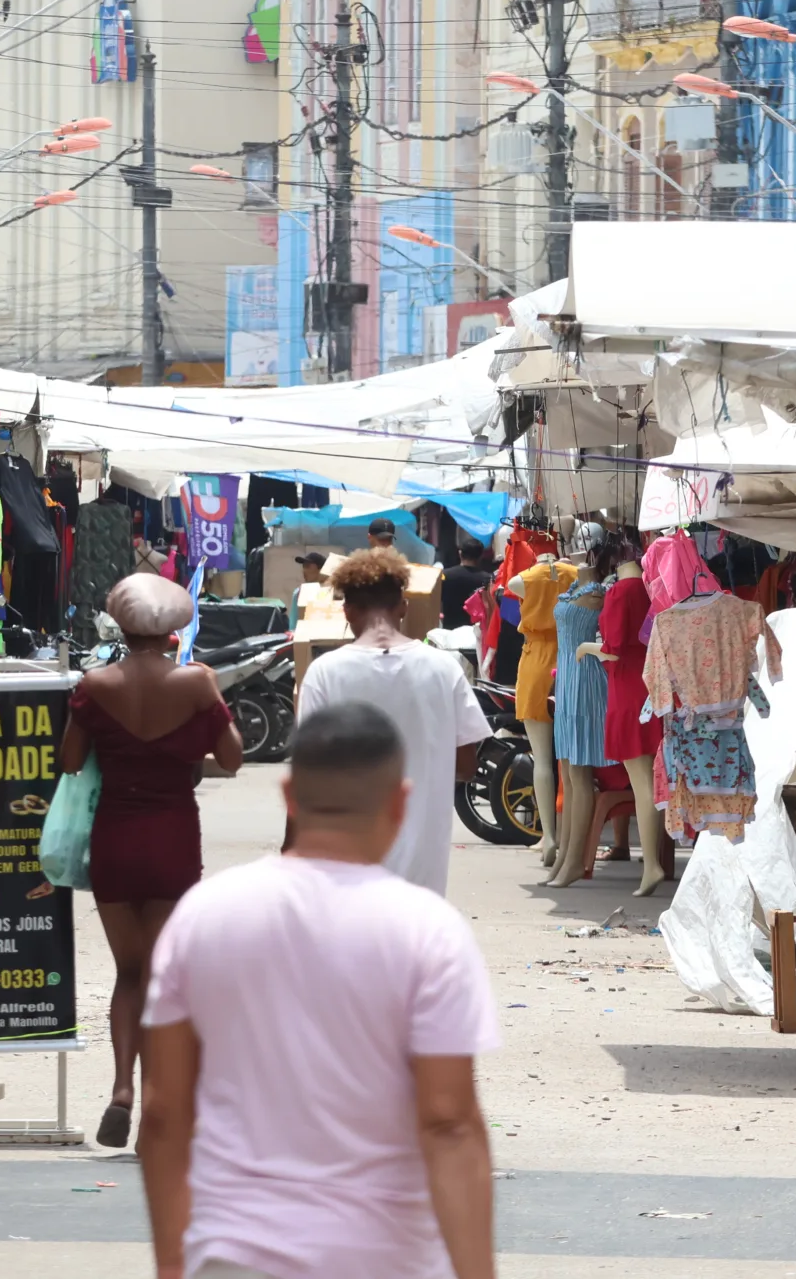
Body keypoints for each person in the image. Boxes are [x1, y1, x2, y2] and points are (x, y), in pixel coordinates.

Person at [139, 703, 497, 1279]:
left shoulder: (203, 915)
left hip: (235, 1253)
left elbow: (161, 1111)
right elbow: (449, 1121)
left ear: (288, 795)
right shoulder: (428, 931)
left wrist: (174, 1265)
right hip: (385, 1260)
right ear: (400, 802)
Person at [57, 573, 245, 1150]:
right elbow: (234, 758)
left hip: (114, 835)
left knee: (130, 974)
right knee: (168, 979)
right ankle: (158, 1113)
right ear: (172, 631)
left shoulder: (95, 683)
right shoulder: (196, 681)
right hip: (171, 838)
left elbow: (69, 759)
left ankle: (121, 1089)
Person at [294, 549, 487, 894]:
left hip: (345, 867)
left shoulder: (324, 673)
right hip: (423, 878)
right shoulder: (445, 669)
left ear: (347, 610)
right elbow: (466, 764)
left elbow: (308, 774)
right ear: (404, 606)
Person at [437, 540, 490, 631]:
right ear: (481, 556)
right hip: (476, 632)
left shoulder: (445, 575)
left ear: (460, 553)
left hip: (450, 630)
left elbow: (437, 602)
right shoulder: (488, 579)